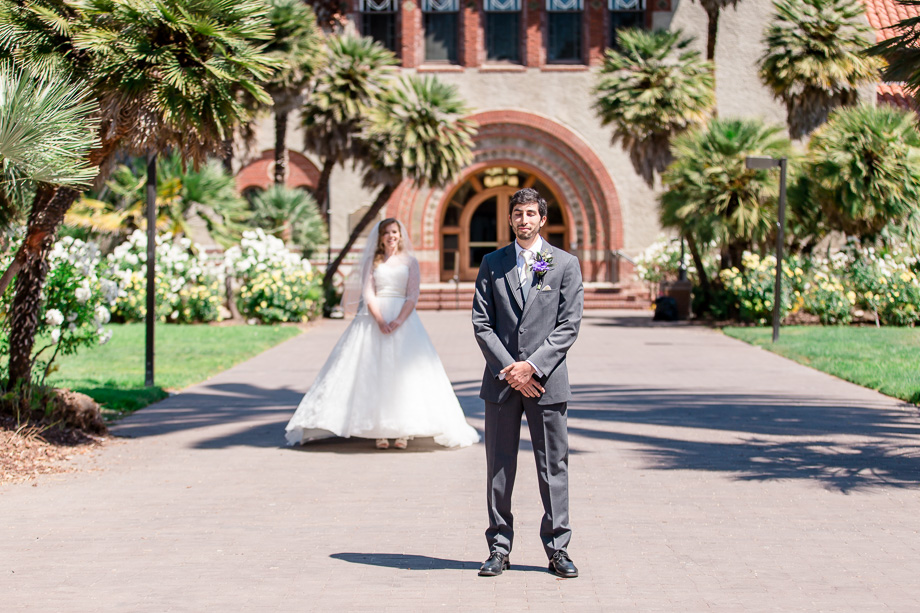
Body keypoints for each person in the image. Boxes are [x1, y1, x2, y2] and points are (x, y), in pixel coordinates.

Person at [285, 218, 479, 450]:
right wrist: (379, 320)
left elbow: (412, 295)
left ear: (400, 234)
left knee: (403, 375)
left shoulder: (410, 261)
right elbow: (368, 293)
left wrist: (397, 320)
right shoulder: (372, 261)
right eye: (386, 232)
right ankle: (379, 432)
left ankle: (402, 433)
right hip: (373, 319)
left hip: (404, 320)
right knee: (372, 372)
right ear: (380, 237)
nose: (391, 236)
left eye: (394, 232)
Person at [471, 188, 584, 578]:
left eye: (530, 213)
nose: (523, 220)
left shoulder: (564, 264)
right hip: (503, 385)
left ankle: (558, 549)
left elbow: (569, 325)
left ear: (542, 219)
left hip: (546, 383)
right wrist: (511, 370)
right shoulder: (491, 263)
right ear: (510, 219)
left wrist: (532, 367)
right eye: (517, 213)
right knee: (499, 468)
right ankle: (499, 548)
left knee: (553, 467)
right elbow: (482, 324)